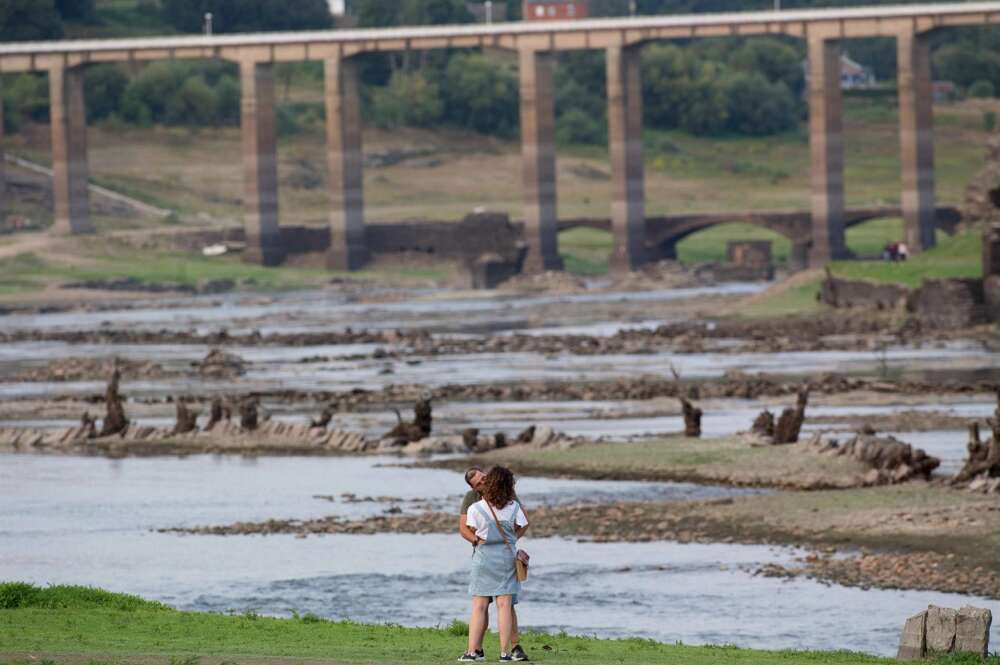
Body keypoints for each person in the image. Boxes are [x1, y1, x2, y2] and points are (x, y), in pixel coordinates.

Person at [458, 466, 529, 662]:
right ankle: (505, 653)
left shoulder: (475, 508)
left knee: (479, 606)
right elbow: (523, 524)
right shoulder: (513, 505)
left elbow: (470, 528)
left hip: (483, 558)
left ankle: (472, 652)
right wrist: (511, 539)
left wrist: (478, 540)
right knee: (505, 605)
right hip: (506, 557)